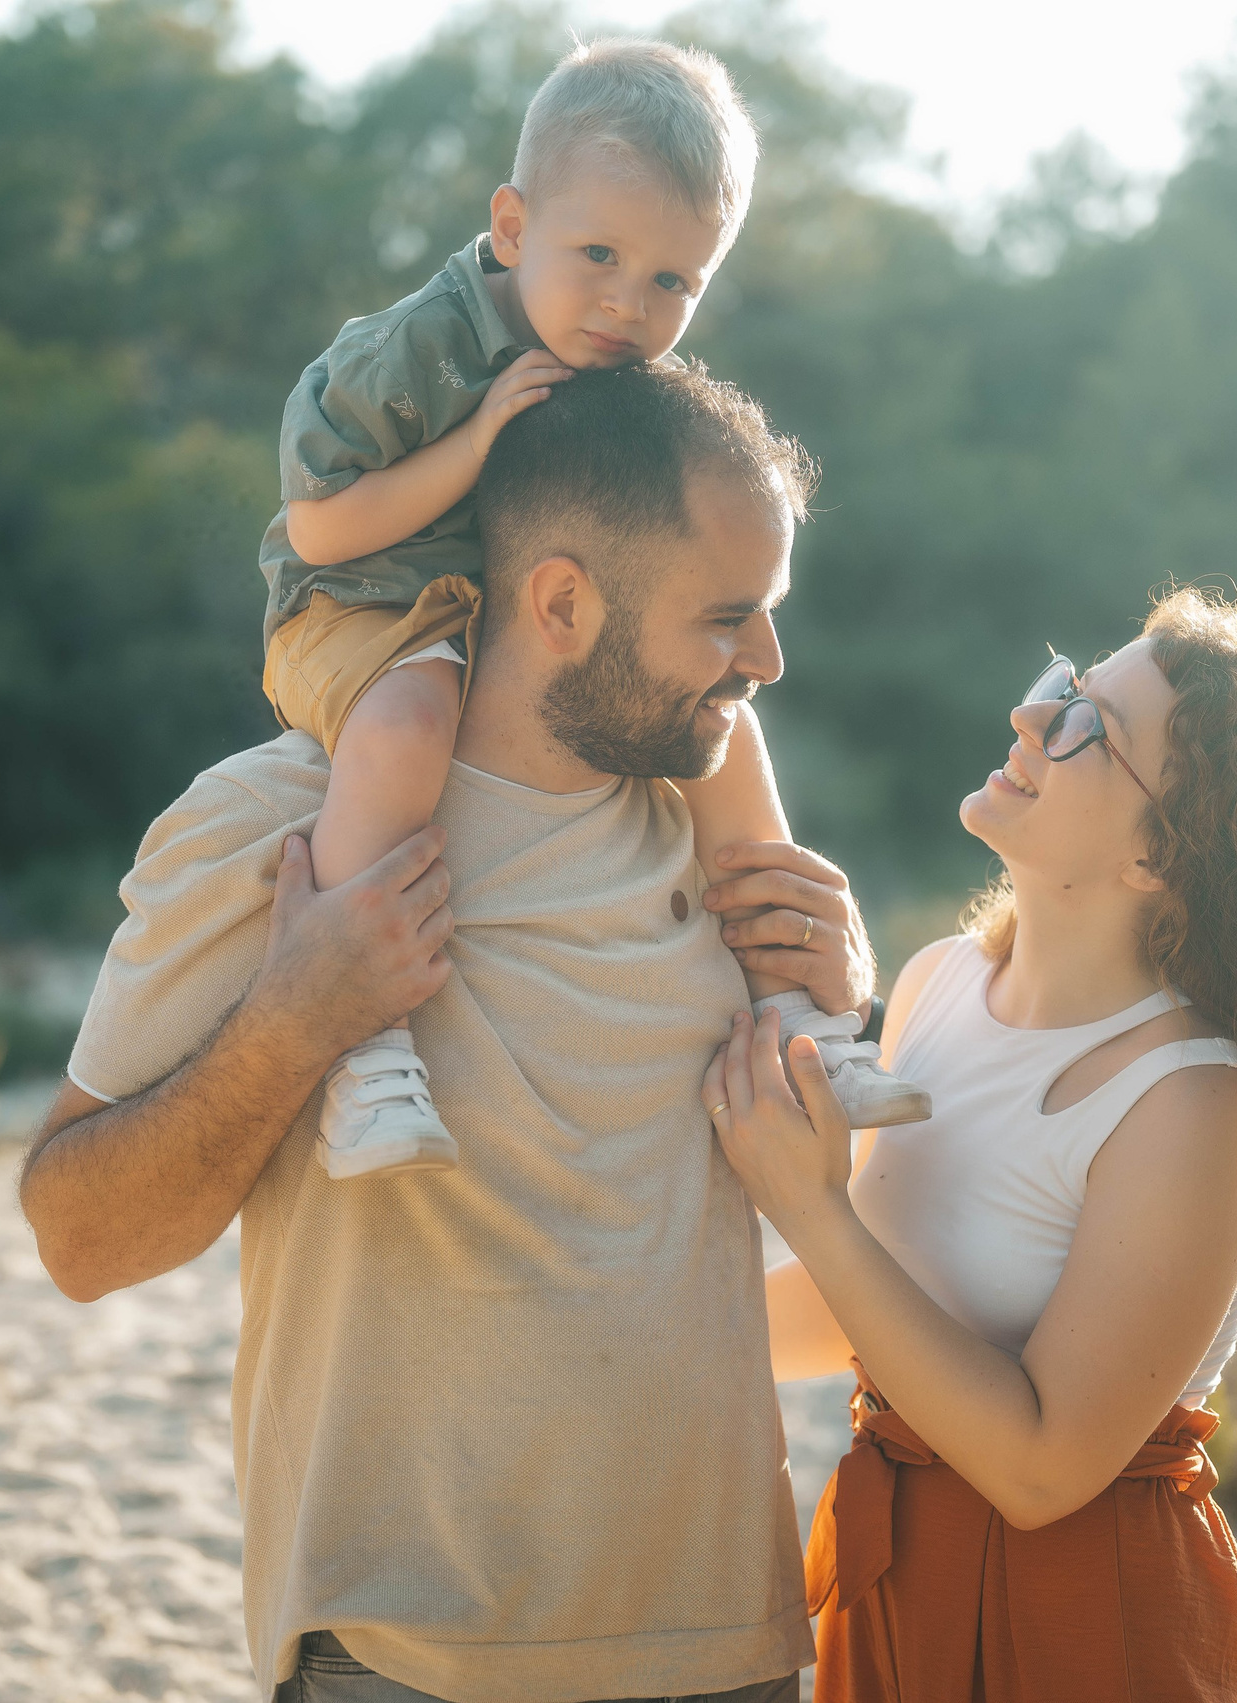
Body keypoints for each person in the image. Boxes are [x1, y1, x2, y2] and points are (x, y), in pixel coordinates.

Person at [23, 362, 861, 1699]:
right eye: (730, 616)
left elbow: (844, 1206)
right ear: (564, 601)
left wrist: (834, 1011)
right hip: (401, 1660)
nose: (766, 659)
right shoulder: (275, 826)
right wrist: (296, 1018)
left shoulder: (731, 848)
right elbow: (78, 1235)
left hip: (727, 1649)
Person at [705, 589, 1237, 1700]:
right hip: (891, 1575)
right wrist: (614, 1325)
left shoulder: (1196, 1101)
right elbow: (867, 1309)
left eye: (1085, 724)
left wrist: (811, 1207)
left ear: (1157, 855)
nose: (1026, 716)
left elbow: (1042, 1466)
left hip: (1085, 1619)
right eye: (1063, 683)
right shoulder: (935, 983)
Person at [257, 35, 927, 1179]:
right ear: (512, 228)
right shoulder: (405, 354)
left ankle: (799, 1011)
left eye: (672, 280)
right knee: (410, 723)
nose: (628, 304)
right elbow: (317, 526)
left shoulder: (616, 363)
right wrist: (474, 444)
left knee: (721, 719)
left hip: (507, 619)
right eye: (601, 256)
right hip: (362, 598)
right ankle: (360, 1045)